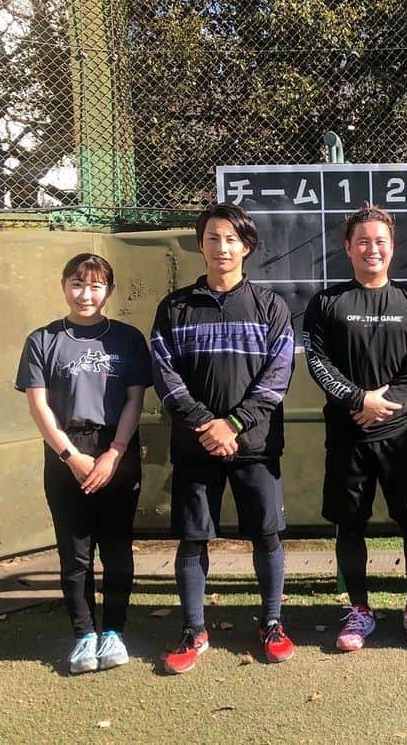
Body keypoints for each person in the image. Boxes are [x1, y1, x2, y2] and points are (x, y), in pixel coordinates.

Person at [151, 203, 296, 674]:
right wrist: (205, 424)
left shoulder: (272, 307)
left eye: (231, 239)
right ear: (202, 245)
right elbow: (164, 373)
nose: (222, 247)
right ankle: (194, 630)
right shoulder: (174, 307)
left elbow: (278, 376)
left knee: (268, 535)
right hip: (196, 446)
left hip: (255, 445)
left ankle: (271, 622)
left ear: (247, 247)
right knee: (193, 541)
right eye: (213, 238)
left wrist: (233, 424)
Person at [303, 203, 407, 652]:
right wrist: (358, 399)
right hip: (348, 438)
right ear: (347, 247)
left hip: (402, 439)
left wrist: (389, 400)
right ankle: (359, 610)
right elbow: (318, 363)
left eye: (380, 241)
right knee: (350, 526)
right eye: (362, 240)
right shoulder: (326, 303)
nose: (371, 249)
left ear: (392, 246)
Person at [16, 253, 152, 674]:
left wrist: (114, 451)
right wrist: (71, 457)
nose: (86, 294)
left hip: (116, 447)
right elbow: (39, 406)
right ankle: (83, 634)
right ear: (63, 286)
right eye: (78, 284)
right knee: (75, 551)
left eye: (95, 286)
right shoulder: (42, 340)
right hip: (66, 449)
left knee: (115, 546)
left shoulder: (127, 339)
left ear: (109, 291)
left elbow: (135, 399)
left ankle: (113, 632)